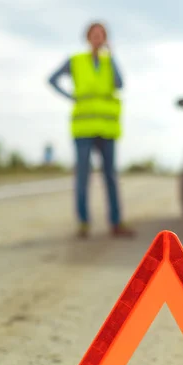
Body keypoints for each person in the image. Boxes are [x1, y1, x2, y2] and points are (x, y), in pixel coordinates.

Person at [48, 21, 135, 238]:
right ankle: (83, 222)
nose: (98, 38)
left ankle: (116, 222)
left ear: (105, 38)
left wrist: (112, 56)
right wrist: (70, 96)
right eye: (94, 34)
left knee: (110, 176)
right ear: (87, 38)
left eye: (101, 35)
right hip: (84, 127)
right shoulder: (76, 61)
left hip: (106, 128)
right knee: (83, 176)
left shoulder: (109, 62)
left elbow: (120, 83)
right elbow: (52, 79)